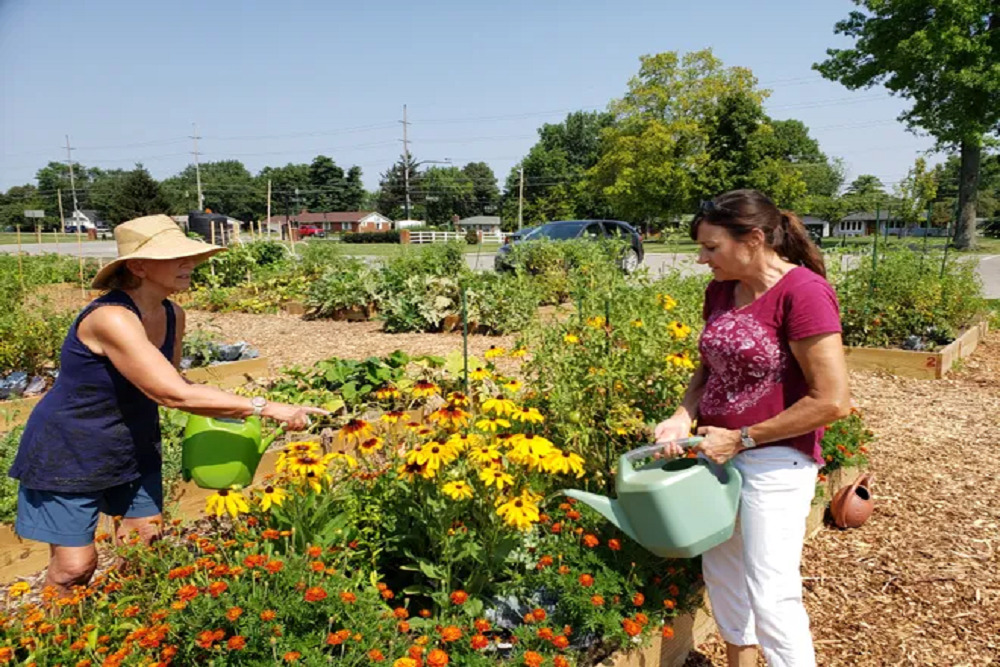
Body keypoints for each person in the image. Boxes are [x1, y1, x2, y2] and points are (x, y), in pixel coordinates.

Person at [9, 214, 327, 596]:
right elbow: (170, 394)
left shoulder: (173, 314)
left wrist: (233, 408)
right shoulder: (111, 318)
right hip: (70, 449)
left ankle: (125, 620)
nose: (189, 264)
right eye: (175, 257)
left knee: (145, 546)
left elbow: (174, 382)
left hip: (132, 444)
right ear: (138, 267)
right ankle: (57, 629)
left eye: (189, 256)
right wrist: (263, 406)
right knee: (74, 568)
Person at [655, 190, 850, 667]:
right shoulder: (722, 289)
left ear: (754, 239)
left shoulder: (803, 293)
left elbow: (832, 401)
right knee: (724, 579)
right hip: (714, 455)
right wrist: (682, 414)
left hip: (775, 460)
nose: (702, 260)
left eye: (711, 247)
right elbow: (710, 368)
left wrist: (742, 438)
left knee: (772, 592)